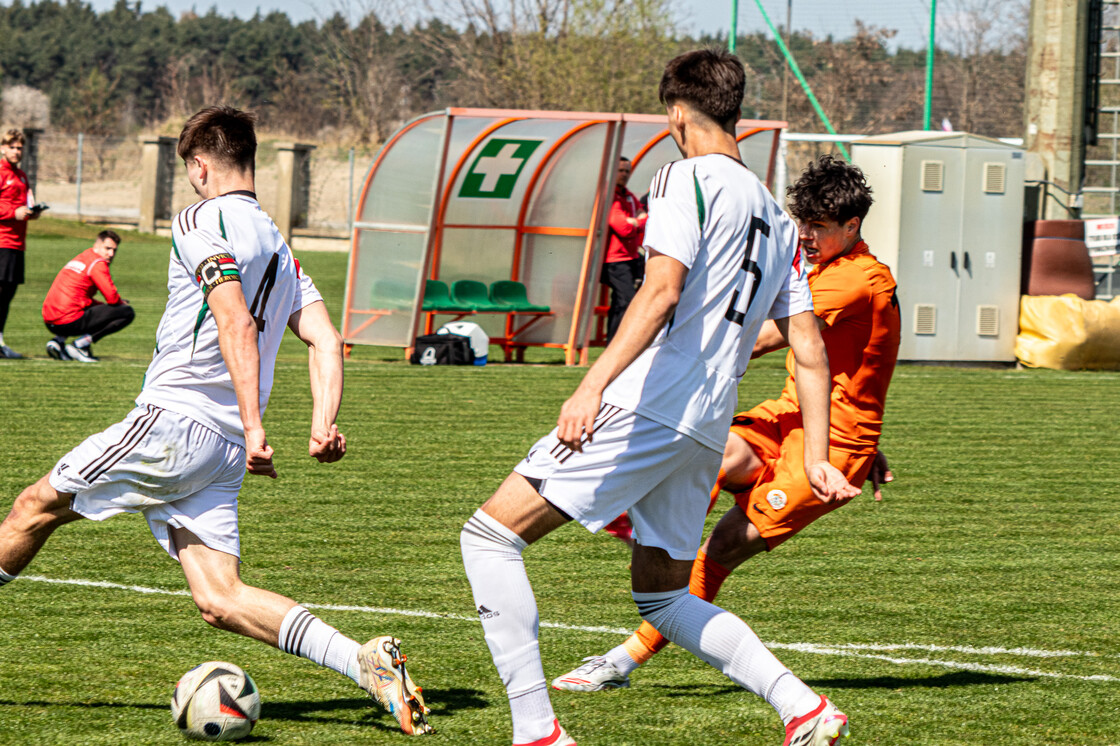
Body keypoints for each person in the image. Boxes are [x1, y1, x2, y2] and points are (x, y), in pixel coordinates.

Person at [460, 50, 857, 746]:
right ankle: (804, 708)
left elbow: (660, 291)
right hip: (704, 428)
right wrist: (819, 460)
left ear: (677, 114)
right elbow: (811, 349)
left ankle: (536, 732)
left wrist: (591, 384)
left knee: (490, 536)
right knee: (665, 594)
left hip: (650, 403)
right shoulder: (773, 213)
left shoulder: (682, 177)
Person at [0, 107, 432, 736]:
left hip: (177, 425)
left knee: (33, 508)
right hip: (222, 450)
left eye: (191, 170)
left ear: (200, 166)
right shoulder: (283, 251)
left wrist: (258, 426)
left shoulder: (200, 218)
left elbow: (235, 318)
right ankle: (364, 664)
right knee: (219, 598)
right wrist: (322, 423)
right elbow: (326, 341)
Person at [551, 154, 901, 695]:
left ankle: (622, 660)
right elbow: (861, 363)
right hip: (790, 419)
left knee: (718, 552)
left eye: (819, 228)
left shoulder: (855, 279)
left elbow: (760, 337)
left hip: (831, 447)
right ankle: (636, 520)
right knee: (706, 456)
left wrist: (672, 358)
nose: (805, 236)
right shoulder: (830, 266)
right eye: (801, 223)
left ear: (851, 227)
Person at [42, 230, 135, 362]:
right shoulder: (98, 263)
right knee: (126, 312)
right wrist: (120, 302)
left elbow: (79, 298)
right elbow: (112, 298)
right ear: (97, 245)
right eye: (107, 248)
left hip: (50, 319)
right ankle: (80, 345)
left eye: (114, 250)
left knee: (90, 308)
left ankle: (58, 341)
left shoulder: (84, 256)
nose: (111, 254)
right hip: (67, 321)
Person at [0, 129, 42, 358]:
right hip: (2, 241)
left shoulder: (22, 176)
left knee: (7, 295)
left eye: (20, 147)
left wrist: (31, 213)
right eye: (12, 147)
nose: (17, 152)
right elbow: (8, 209)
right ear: (2, 148)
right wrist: (11, 212)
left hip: (17, 244)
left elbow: (24, 204)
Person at [601, 156, 647, 344]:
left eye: (627, 171)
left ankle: (617, 342)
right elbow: (622, 227)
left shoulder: (627, 195)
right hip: (614, 259)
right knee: (626, 300)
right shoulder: (610, 195)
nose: (624, 175)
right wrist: (636, 220)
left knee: (625, 300)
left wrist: (636, 220)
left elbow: (644, 217)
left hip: (631, 256)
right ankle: (615, 342)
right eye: (620, 171)